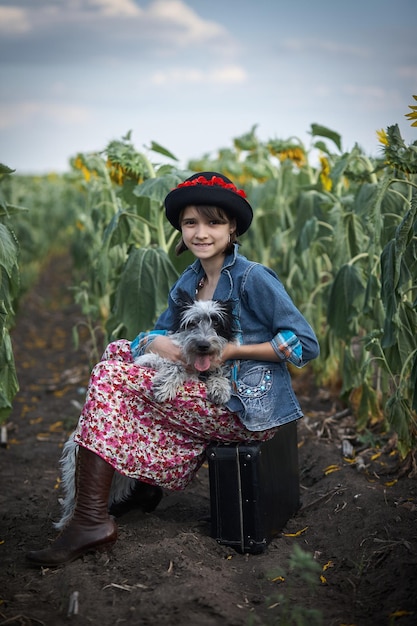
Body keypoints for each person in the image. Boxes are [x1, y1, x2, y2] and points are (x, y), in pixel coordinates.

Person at [26, 171, 320, 567]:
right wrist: (154, 341)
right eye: (190, 223)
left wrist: (232, 351)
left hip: (245, 406)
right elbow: (158, 332)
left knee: (112, 379)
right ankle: (140, 487)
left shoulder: (254, 278)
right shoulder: (189, 282)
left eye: (213, 222)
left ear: (232, 227)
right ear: (180, 229)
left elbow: (303, 344)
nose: (201, 232)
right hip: (201, 389)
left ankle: (90, 518)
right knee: (116, 353)